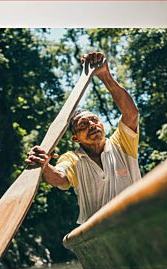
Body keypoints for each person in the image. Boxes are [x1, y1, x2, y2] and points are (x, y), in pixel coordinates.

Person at [25, 51, 141, 224]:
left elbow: (131, 114)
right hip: (100, 233)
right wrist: (44, 165)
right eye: (83, 125)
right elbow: (59, 178)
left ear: (102, 124)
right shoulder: (72, 159)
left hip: (138, 219)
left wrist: (105, 76)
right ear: (75, 138)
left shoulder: (121, 144)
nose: (91, 125)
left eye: (94, 120)